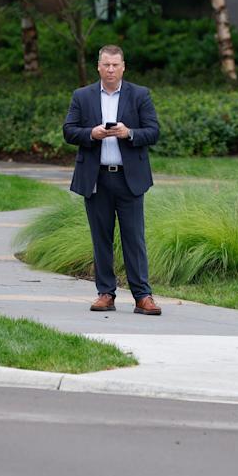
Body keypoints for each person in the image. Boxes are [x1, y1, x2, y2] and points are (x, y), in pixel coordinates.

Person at [63, 44, 162, 315]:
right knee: (101, 238)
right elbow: (69, 131)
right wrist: (91, 134)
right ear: (98, 67)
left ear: (123, 67)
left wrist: (129, 133)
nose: (110, 70)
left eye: (115, 65)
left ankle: (142, 296)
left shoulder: (139, 95)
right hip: (96, 179)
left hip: (129, 179)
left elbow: (153, 131)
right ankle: (105, 293)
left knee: (134, 238)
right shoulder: (82, 96)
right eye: (106, 65)